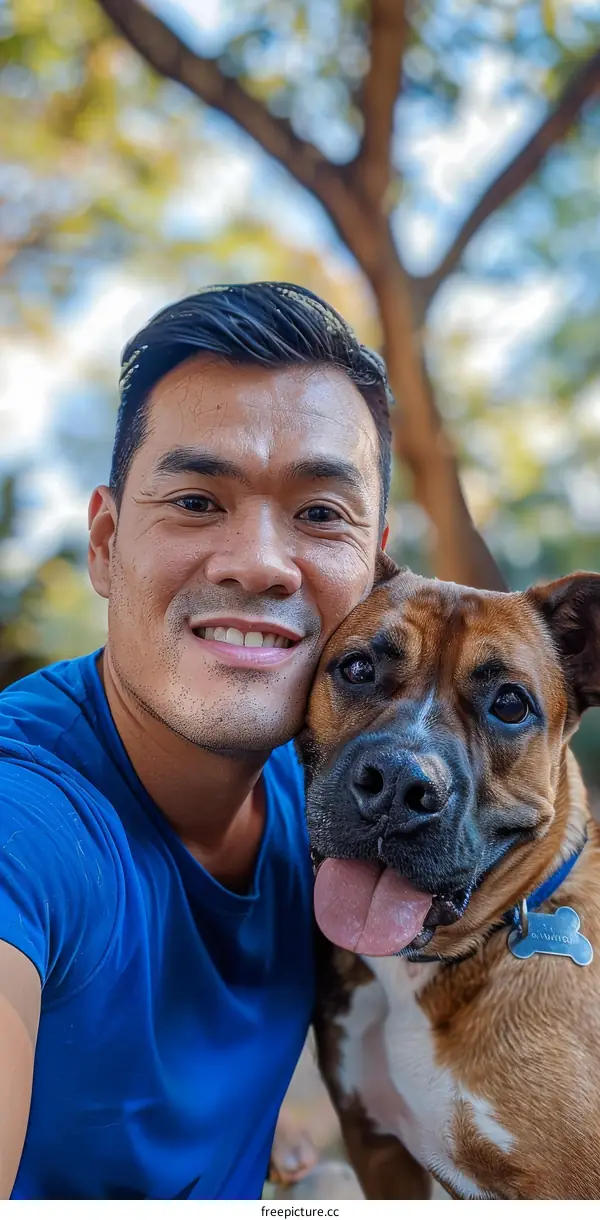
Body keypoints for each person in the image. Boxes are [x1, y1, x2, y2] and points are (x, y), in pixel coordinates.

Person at [0, 283, 393, 1200]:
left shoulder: (342, 790)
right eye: (195, 500)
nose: (256, 561)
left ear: (376, 564)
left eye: (320, 513)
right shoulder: (28, 820)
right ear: (105, 543)